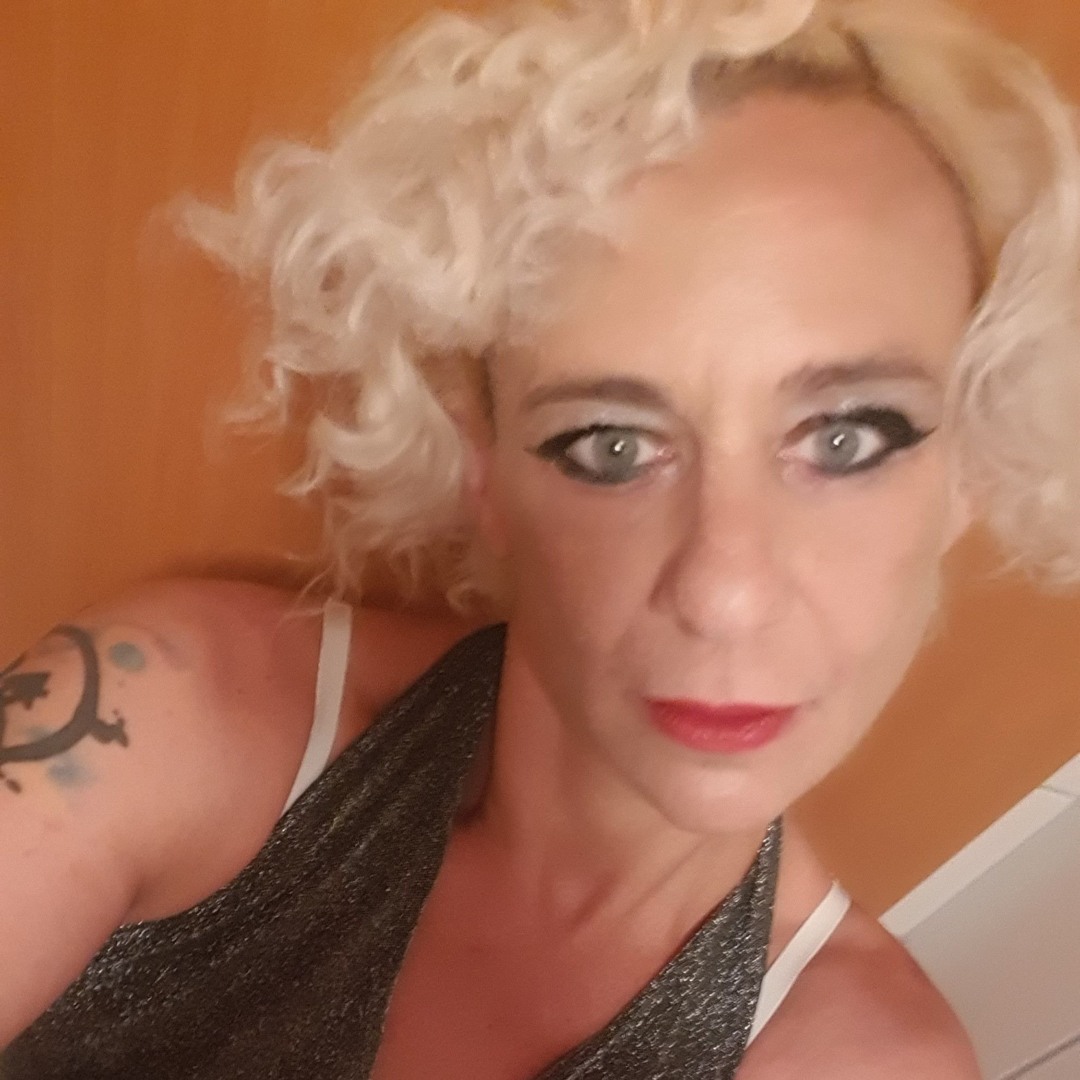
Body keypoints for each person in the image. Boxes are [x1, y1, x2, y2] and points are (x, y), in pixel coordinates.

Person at [3, 0, 1079, 1075]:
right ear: (485, 467)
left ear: (968, 468)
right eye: (611, 445)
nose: (725, 591)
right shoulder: (168, 716)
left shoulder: (870, 1060)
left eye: (848, 439)